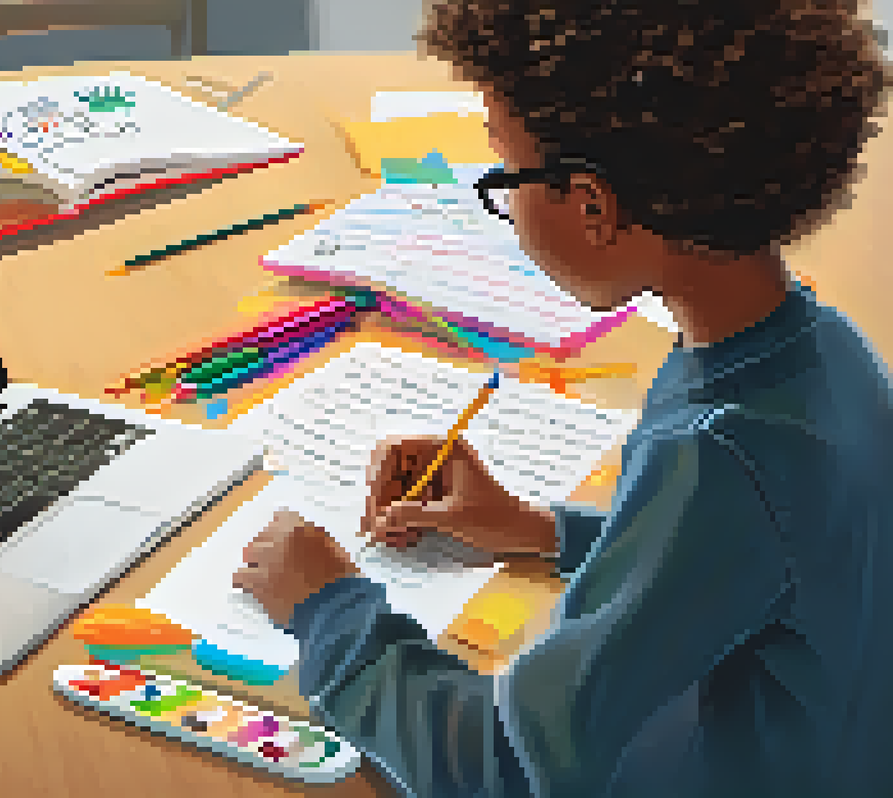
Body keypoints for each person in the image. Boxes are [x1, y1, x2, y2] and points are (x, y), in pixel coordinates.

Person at [231, 1, 892, 796]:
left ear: (592, 206)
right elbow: (755, 563)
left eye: (504, 174)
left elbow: (509, 769)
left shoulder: (715, 453)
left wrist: (331, 613)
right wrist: (537, 529)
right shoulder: (827, 354)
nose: (503, 201)